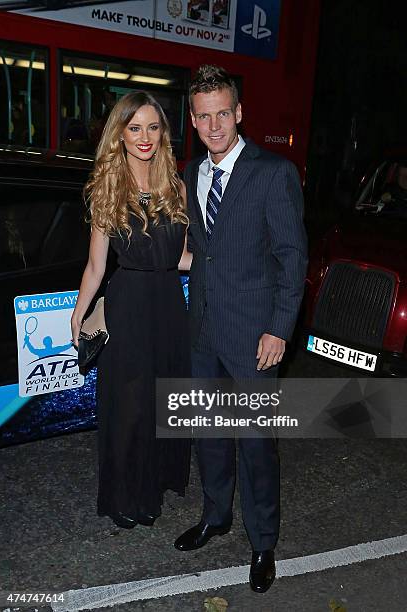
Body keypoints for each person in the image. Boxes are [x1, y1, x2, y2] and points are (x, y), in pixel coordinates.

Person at [174, 65, 308, 593]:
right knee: (208, 432)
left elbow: (292, 258)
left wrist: (279, 328)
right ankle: (215, 514)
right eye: (203, 117)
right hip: (203, 328)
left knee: (255, 442)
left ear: (239, 113)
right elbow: (203, 251)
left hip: (256, 335)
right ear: (193, 119)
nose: (213, 126)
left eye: (222, 114)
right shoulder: (191, 174)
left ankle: (263, 541)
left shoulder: (274, 173)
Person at [71, 91, 192, 529]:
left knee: (160, 402)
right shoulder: (109, 186)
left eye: (153, 127)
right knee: (129, 407)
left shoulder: (176, 186)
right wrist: (79, 312)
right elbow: (96, 265)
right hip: (126, 308)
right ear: (120, 134)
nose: (145, 137)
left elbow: (179, 258)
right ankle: (125, 495)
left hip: (167, 308)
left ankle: (152, 487)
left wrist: (227, 268)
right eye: (135, 127)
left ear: (163, 134)